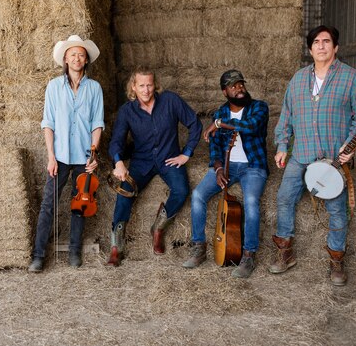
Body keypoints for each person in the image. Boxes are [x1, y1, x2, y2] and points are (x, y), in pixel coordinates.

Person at [270, 25, 356, 286]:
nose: (322, 46)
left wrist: (350, 147)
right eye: (316, 42)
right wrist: (282, 145)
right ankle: (285, 253)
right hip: (301, 154)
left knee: (337, 210)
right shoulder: (298, 80)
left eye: (327, 41)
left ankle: (336, 261)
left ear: (335, 47)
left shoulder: (351, 78)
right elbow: (287, 117)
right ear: (310, 49)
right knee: (284, 198)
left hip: (331, 159)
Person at [107, 68, 202, 266]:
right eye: (141, 85)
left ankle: (158, 228)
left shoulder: (170, 101)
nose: (146, 90)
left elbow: (195, 124)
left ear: (155, 84)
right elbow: (116, 140)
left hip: (169, 159)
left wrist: (187, 153)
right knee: (124, 192)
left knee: (182, 189)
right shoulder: (127, 111)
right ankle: (117, 246)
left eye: (149, 84)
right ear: (133, 86)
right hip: (141, 162)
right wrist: (118, 162)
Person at [182, 70, 269, 278]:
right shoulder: (220, 113)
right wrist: (219, 168)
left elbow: (251, 127)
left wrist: (219, 124)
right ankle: (199, 246)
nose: (239, 88)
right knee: (197, 196)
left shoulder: (259, 107)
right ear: (225, 91)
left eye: (241, 84)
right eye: (233, 86)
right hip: (227, 166)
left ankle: (248, 255)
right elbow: (215, 148)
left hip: (253, 166)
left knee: (250, 202)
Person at [28, 35, 104, 273]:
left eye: (81, 54)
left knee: (79, 204)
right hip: (60, 156)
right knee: (48, 205)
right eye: (73, 54)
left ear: (86, 59)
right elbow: (48, 123)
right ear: (65, 59)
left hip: (83, 156)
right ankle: (38, 255)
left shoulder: (94, 88)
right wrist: (51, 156)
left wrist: (93, 155)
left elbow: (97, 124)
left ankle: (74, 251)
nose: (77, 58)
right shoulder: (53, 86)